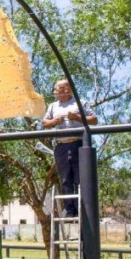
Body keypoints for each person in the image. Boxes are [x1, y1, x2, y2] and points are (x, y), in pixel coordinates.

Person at [42, 79, 98, 217]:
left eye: (60, 88)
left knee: (81, 178)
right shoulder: (53, 106)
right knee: (66, 179)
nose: (57, 91)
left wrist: (77, 117)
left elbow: (94, 120)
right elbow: (45, 123)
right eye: (57, 88)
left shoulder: (80, 102)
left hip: (78, 143)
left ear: (68, 89)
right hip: (61, 145)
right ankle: (70, 210)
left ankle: (82, 210)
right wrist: (54, 121)